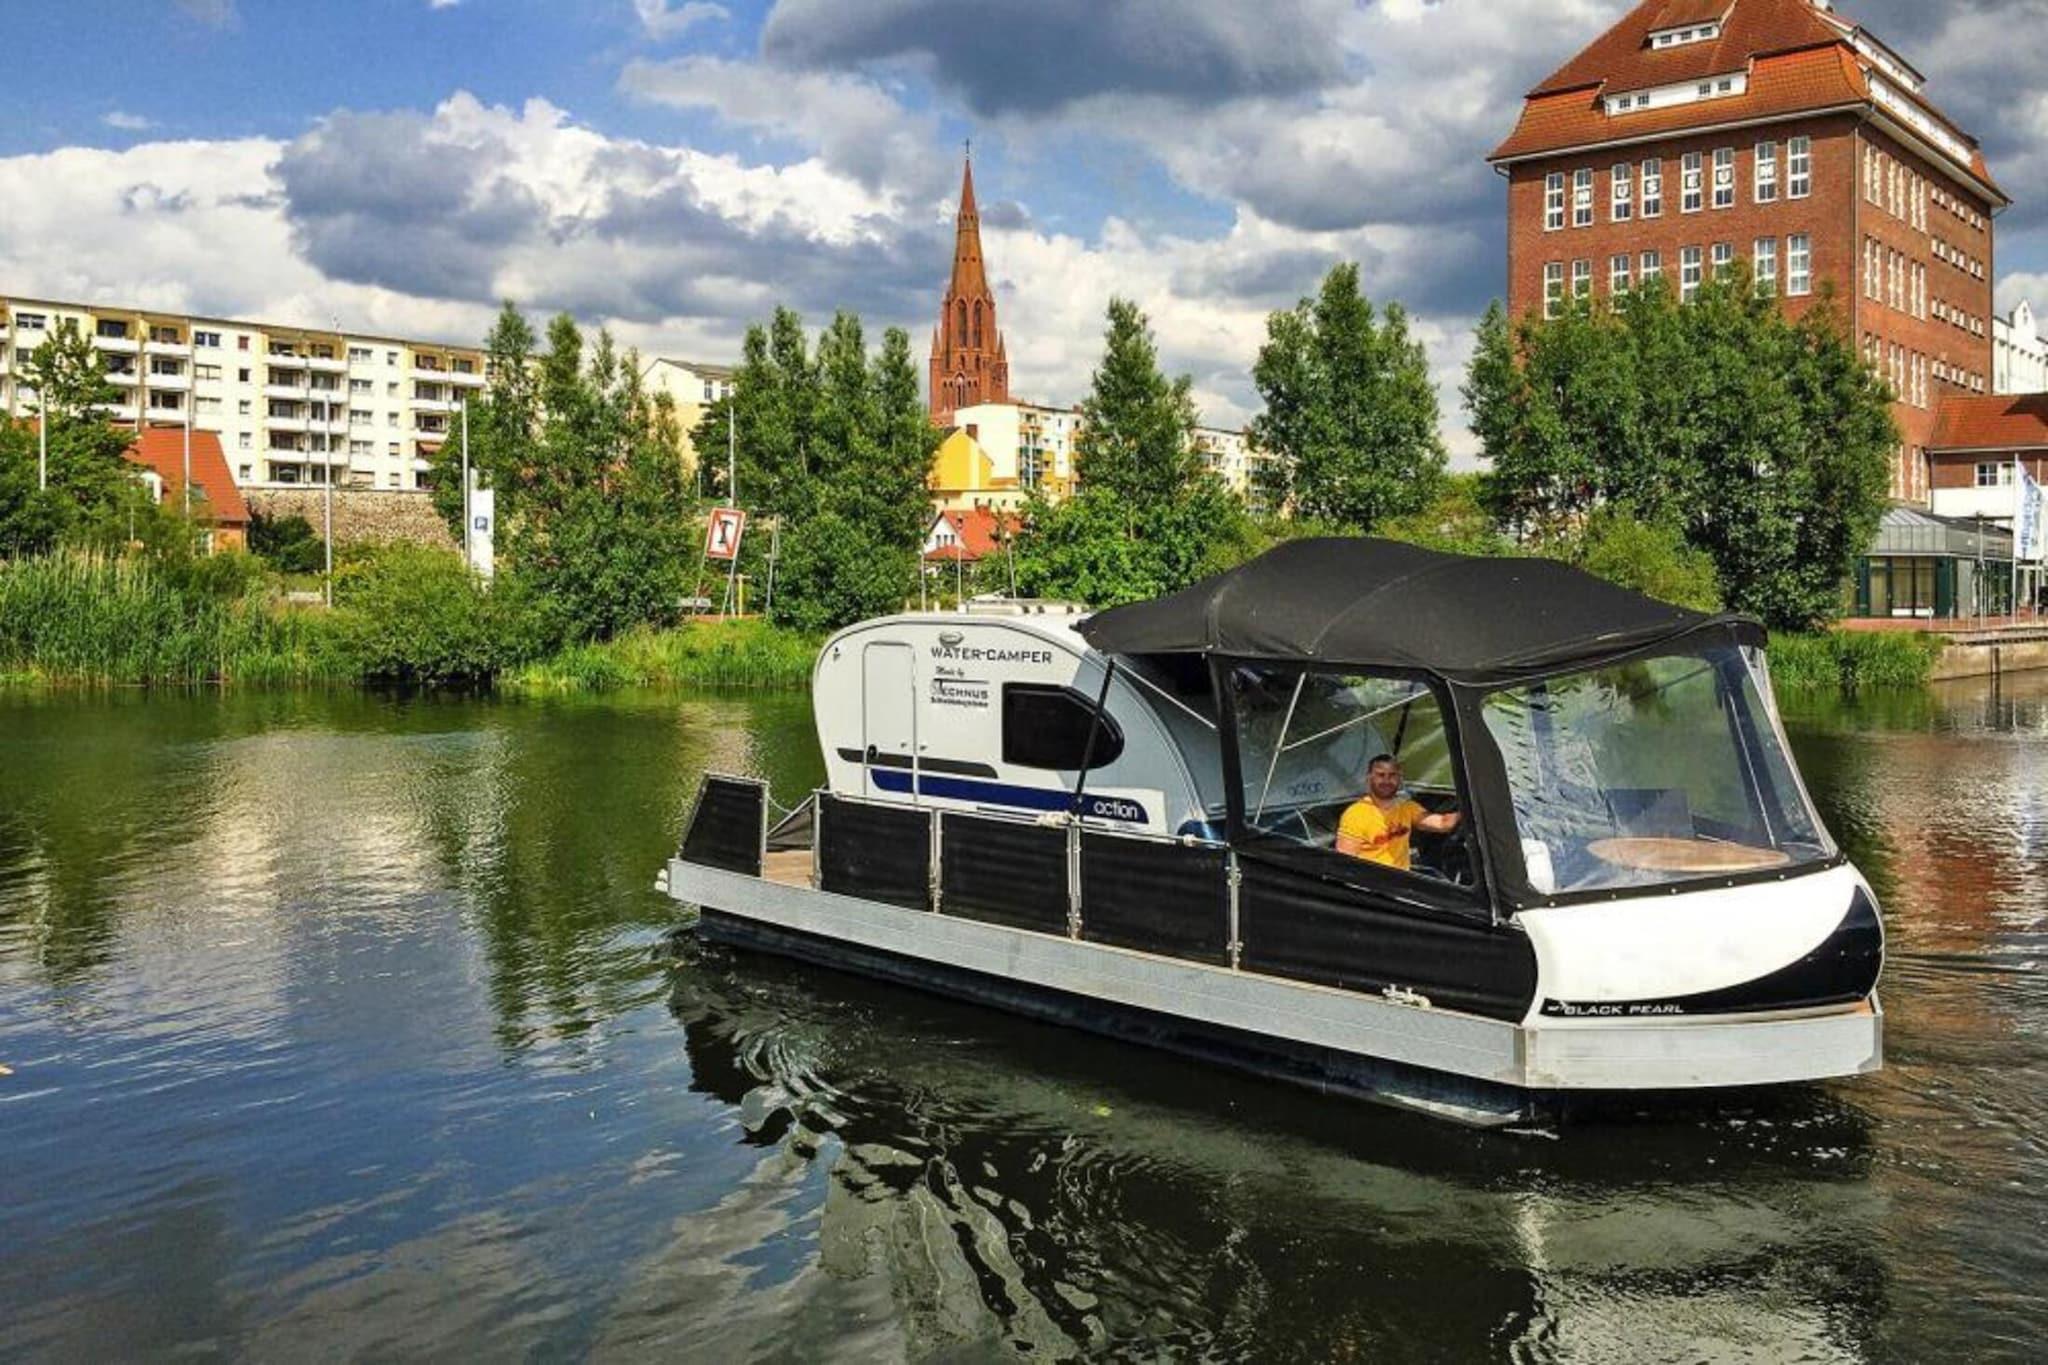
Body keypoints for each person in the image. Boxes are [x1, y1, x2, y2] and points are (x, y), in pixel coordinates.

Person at [1336, 754, 1461, 872]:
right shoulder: (1355, 815)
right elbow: (1344, 865)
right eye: (1381, 775)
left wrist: (1465, 811)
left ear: (1399, 779)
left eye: (1392, 775)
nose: (1386, 780)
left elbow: (1442, 824)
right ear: (1369, 778)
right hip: (1372, 883)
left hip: (1403, 879)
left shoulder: (1406, 807)